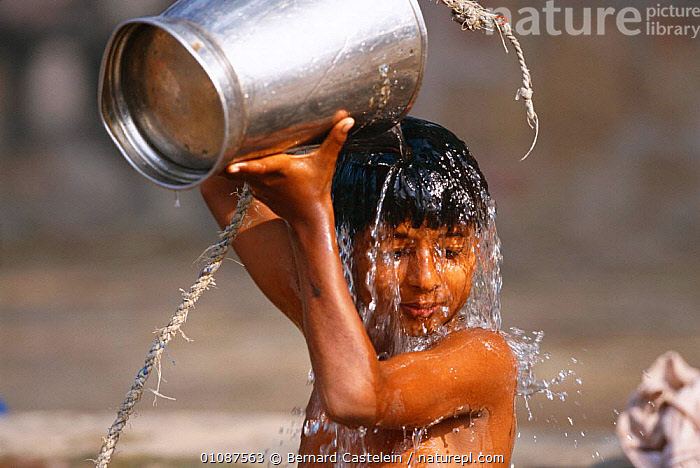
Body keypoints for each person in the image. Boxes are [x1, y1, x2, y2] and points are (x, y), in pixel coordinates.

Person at [201, 113, 517, 466]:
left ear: (478, 250)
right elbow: (221, 181)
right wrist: (314, 118)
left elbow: (357, 400)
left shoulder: (484, 358)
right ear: (345, 247)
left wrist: (311, 213)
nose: (425, 279)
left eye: (451, 251)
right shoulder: (334, 314)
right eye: (397, 251)